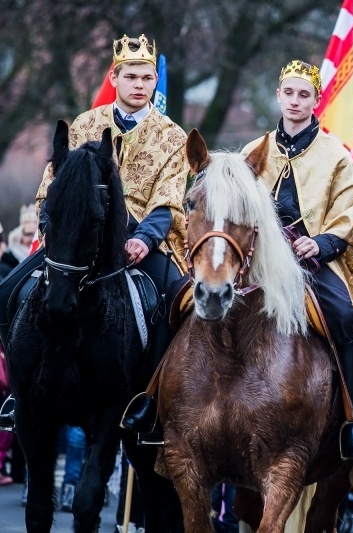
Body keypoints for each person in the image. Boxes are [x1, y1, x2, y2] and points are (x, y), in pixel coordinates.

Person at [0, 33, 189, 433]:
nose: (140, 85)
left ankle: (151, 400)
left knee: (176, 302)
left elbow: (170, 199)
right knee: (10, 288)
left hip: (141, 241)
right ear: (115, 78)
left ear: (155, 81)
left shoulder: (174, 136)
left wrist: (144, 239)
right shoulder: (85, 124)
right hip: (78, 241)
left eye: (147, 78)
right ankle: (19, 391)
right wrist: (52, 228)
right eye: (132, 76)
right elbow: (52, 185)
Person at [240, 59, 353, 460]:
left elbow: (347, 213)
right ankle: (160, 401)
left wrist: (320, 244)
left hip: (312, 264)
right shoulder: (253, 151)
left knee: (344, 317)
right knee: (194, 301)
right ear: (278, 96)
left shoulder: (337, 157)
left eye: (303, 94)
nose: (294, 101)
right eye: (288, 93)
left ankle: (351, 422)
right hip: (255, 261)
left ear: (316, 101)